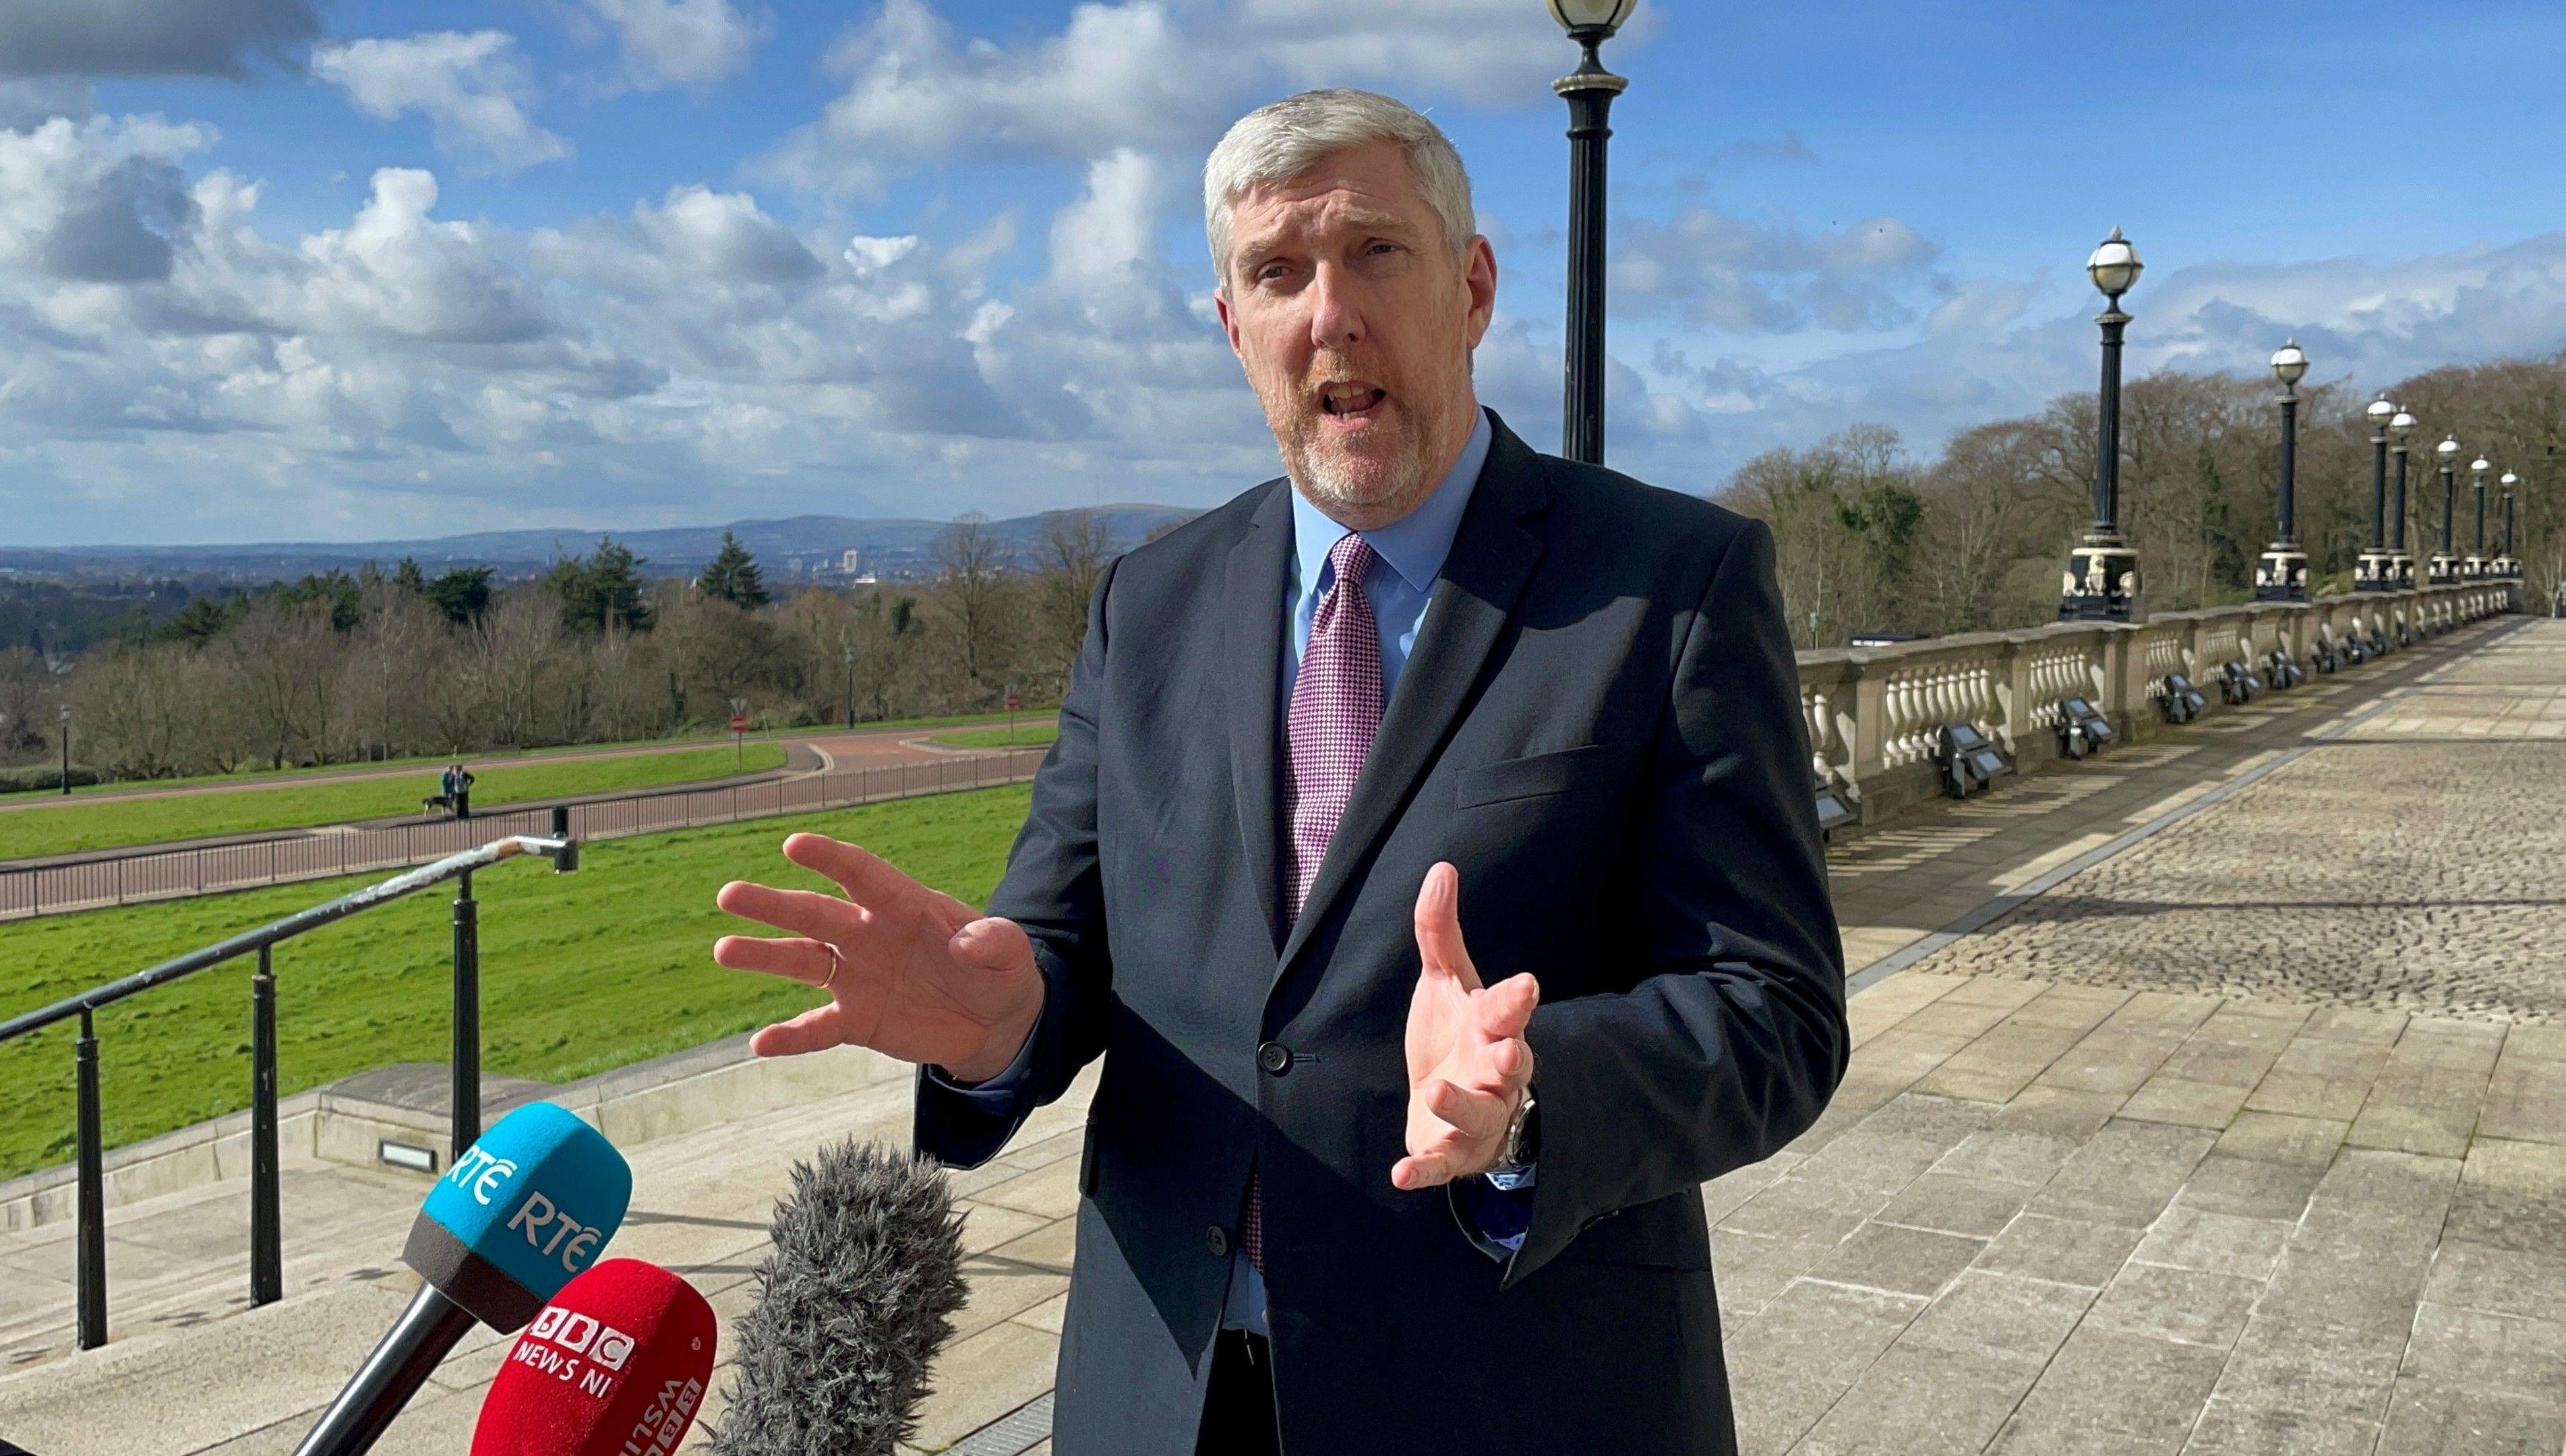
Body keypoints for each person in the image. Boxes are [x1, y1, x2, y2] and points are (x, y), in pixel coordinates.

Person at [711, 89, 1846, 1455]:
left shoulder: (1672, 585)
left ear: (1473, 287)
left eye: (1377, 251)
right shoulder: (1150, 600)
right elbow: (1061, 943)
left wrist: (1533, 1088)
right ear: (1231, 324)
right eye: (1277, 272)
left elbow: (1775, 1010)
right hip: (1165, 1388)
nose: (1331, 313)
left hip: (1517, 1387)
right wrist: (991, 1023)